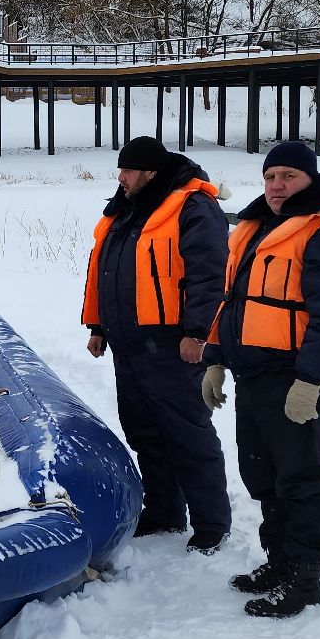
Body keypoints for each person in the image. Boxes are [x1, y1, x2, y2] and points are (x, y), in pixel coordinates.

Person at [203, 140, 320, 618]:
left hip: (295, 377)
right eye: (271, 176)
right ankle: (280, 561)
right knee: (263, 476)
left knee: (301, 478)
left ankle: (305, 575)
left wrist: (312, 379)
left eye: (289, 177)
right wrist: (215, 356)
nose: (277, 185)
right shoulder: (257, 228)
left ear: (310, 179)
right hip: (252, 374)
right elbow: (232, 299)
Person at [83, 135, 232, 553]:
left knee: (188, 432)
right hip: (128, 343)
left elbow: (209, 275)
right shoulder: (125, 208)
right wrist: (98, 325)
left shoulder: (193, 207)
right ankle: (165, 511)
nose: (121, 177)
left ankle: (212, 521)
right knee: (144, 431)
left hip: (172, 345)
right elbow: (105, 271)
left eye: (127, 170)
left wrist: (196, 333)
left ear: (150, 172)